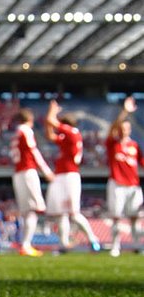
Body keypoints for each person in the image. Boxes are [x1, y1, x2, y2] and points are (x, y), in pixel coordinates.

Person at [44, 100, 100, 253]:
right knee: (61, 213)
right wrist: (50, 122)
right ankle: (64, 244)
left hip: (70, 176)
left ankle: (93, 239)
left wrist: (52, 110)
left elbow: (50, 121)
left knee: (73, 213)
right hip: (61, 176)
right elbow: (50, 135)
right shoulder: (66, 138)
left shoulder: (73, 132)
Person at [10, 108, 54, 257]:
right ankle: (26, 245)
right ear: (30, 119)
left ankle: (25, 243)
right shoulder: (26, 131)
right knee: (33, 210)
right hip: (27, 171)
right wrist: (46, 171)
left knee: (26, 211)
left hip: (18, 173)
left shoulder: (16, 133)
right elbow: (33, 151)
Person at [106, 96, 143, 257]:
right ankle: (116, 246)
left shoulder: (134, 146)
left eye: (126, 128)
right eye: (122, 128)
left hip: (133, 186)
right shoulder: (112, 144)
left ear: (130, 129)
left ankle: (137, 245)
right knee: (116, 217)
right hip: (117, 184)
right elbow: (112, 127)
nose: (124, 130)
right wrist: (125, 112)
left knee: (135, 217)